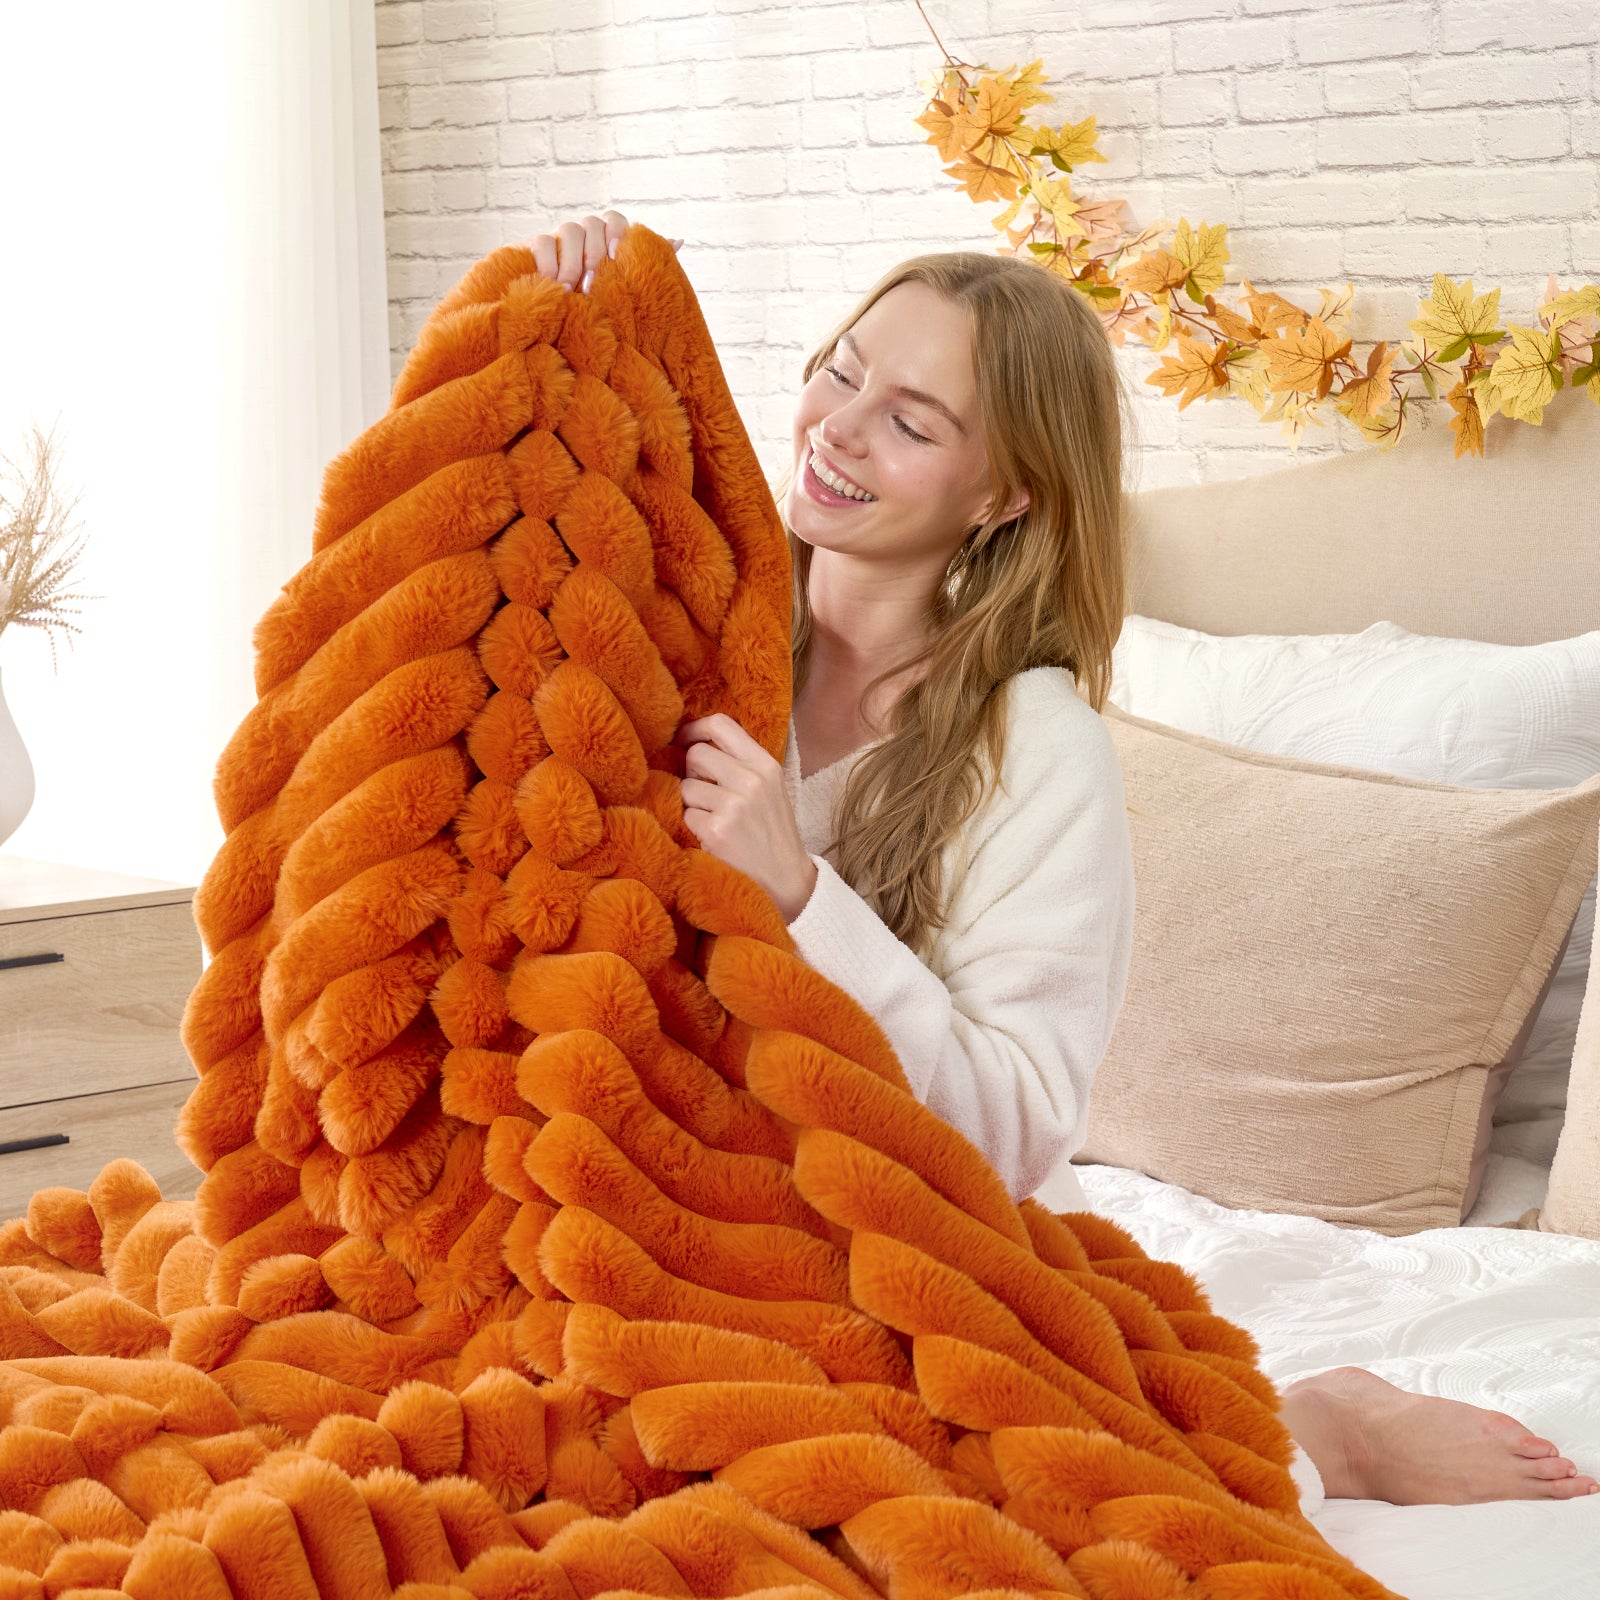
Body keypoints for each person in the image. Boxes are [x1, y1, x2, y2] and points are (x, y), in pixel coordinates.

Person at [516, 211, 1599, 1509]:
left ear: (1005, 494)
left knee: (895, 1493)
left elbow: (1012, 1127)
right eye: (841, 371)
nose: (839, 429)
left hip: (904, 1239)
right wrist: (569, 308)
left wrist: (801, 894)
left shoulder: (1033, 748)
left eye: (912, 422)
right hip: (659, 1190)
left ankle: (1325, 1428)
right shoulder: (707, 631)